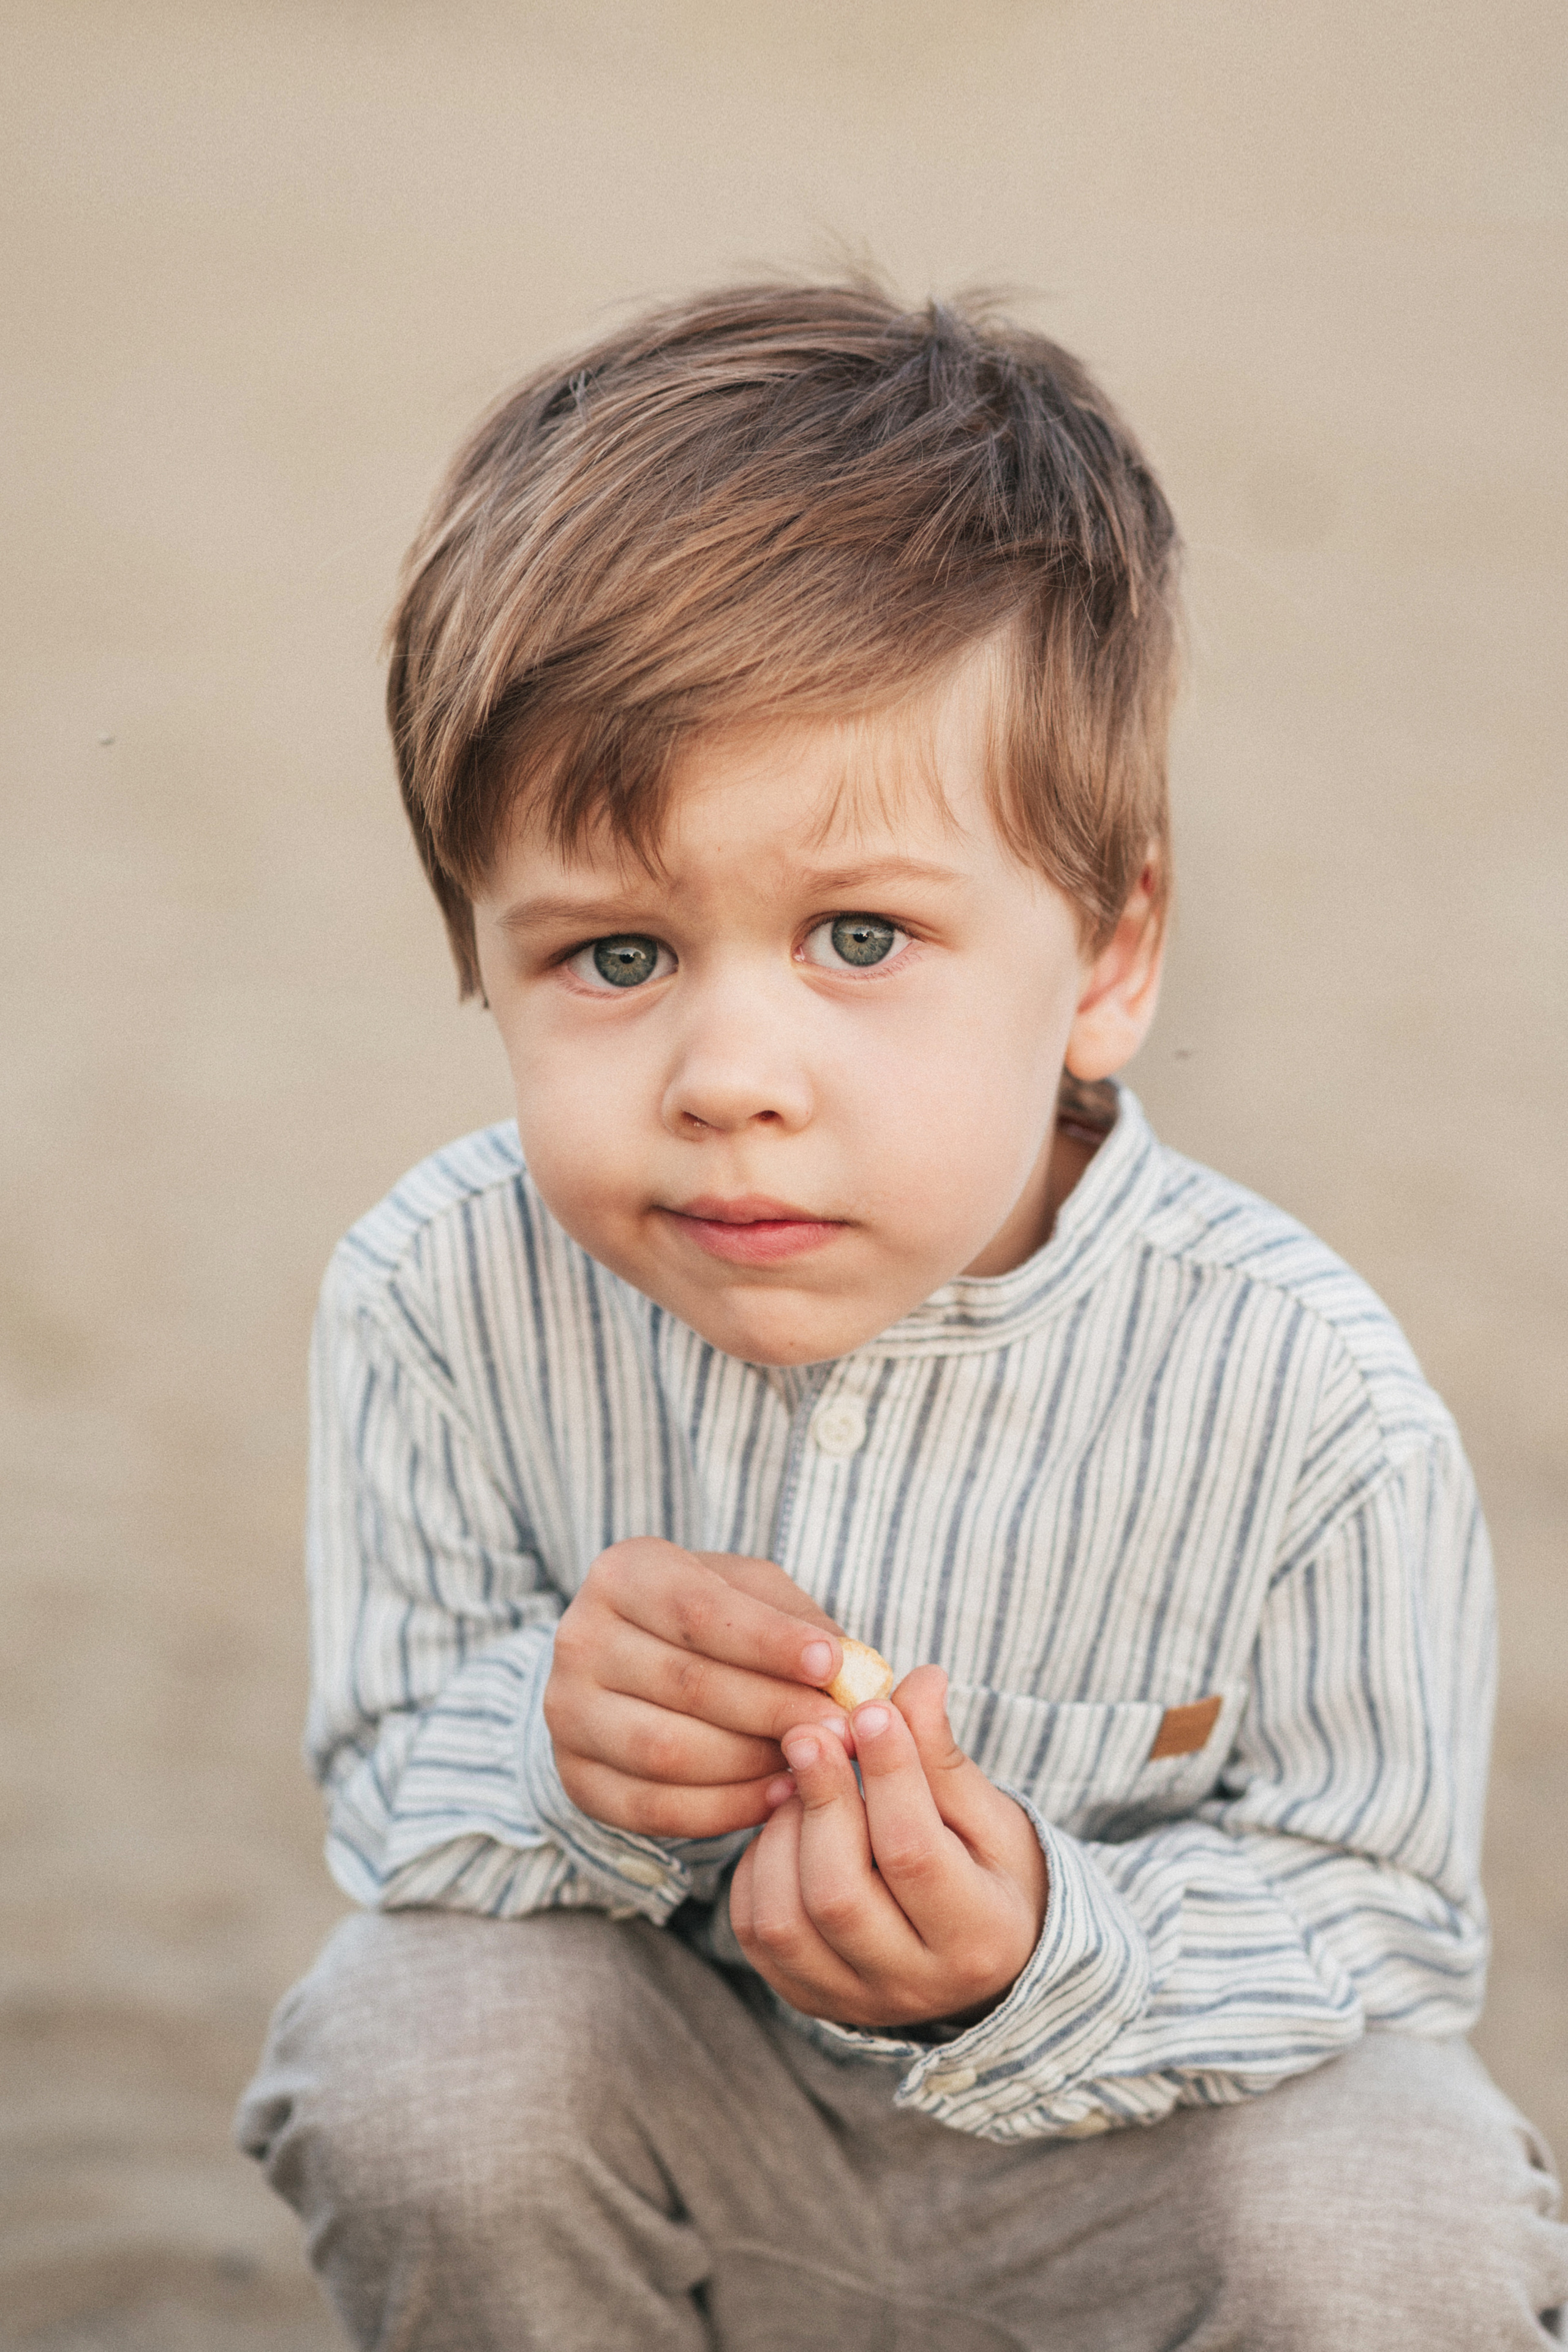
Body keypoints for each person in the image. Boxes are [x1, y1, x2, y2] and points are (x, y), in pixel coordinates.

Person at [236, 281, 1567, 2348]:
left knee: (1409, 2202)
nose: (731, 1071)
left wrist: (1035, 1943)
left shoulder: (1298, 1391)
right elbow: (388, 1758)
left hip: (1135, 2185)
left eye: (861, 936)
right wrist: (552, 1748)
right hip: (693, 2131)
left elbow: (1377, 1914)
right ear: (476, 953)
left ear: (1108, 956)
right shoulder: (445, 1295)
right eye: (612, 954)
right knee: (424, 2045)